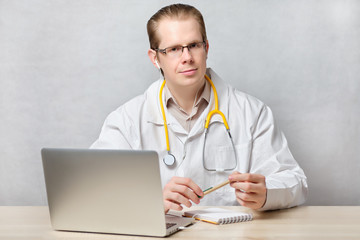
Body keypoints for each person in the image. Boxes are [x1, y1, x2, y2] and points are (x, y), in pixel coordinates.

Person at [91, 4, 308, 213]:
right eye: (174, 49)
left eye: (194, 45)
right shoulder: (127, 120)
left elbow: (295, 181)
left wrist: (267, 193)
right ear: (155, 58)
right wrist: (150, 202)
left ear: (206, 48)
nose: (187, 57)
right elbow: (94, 188)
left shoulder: (251, 112)